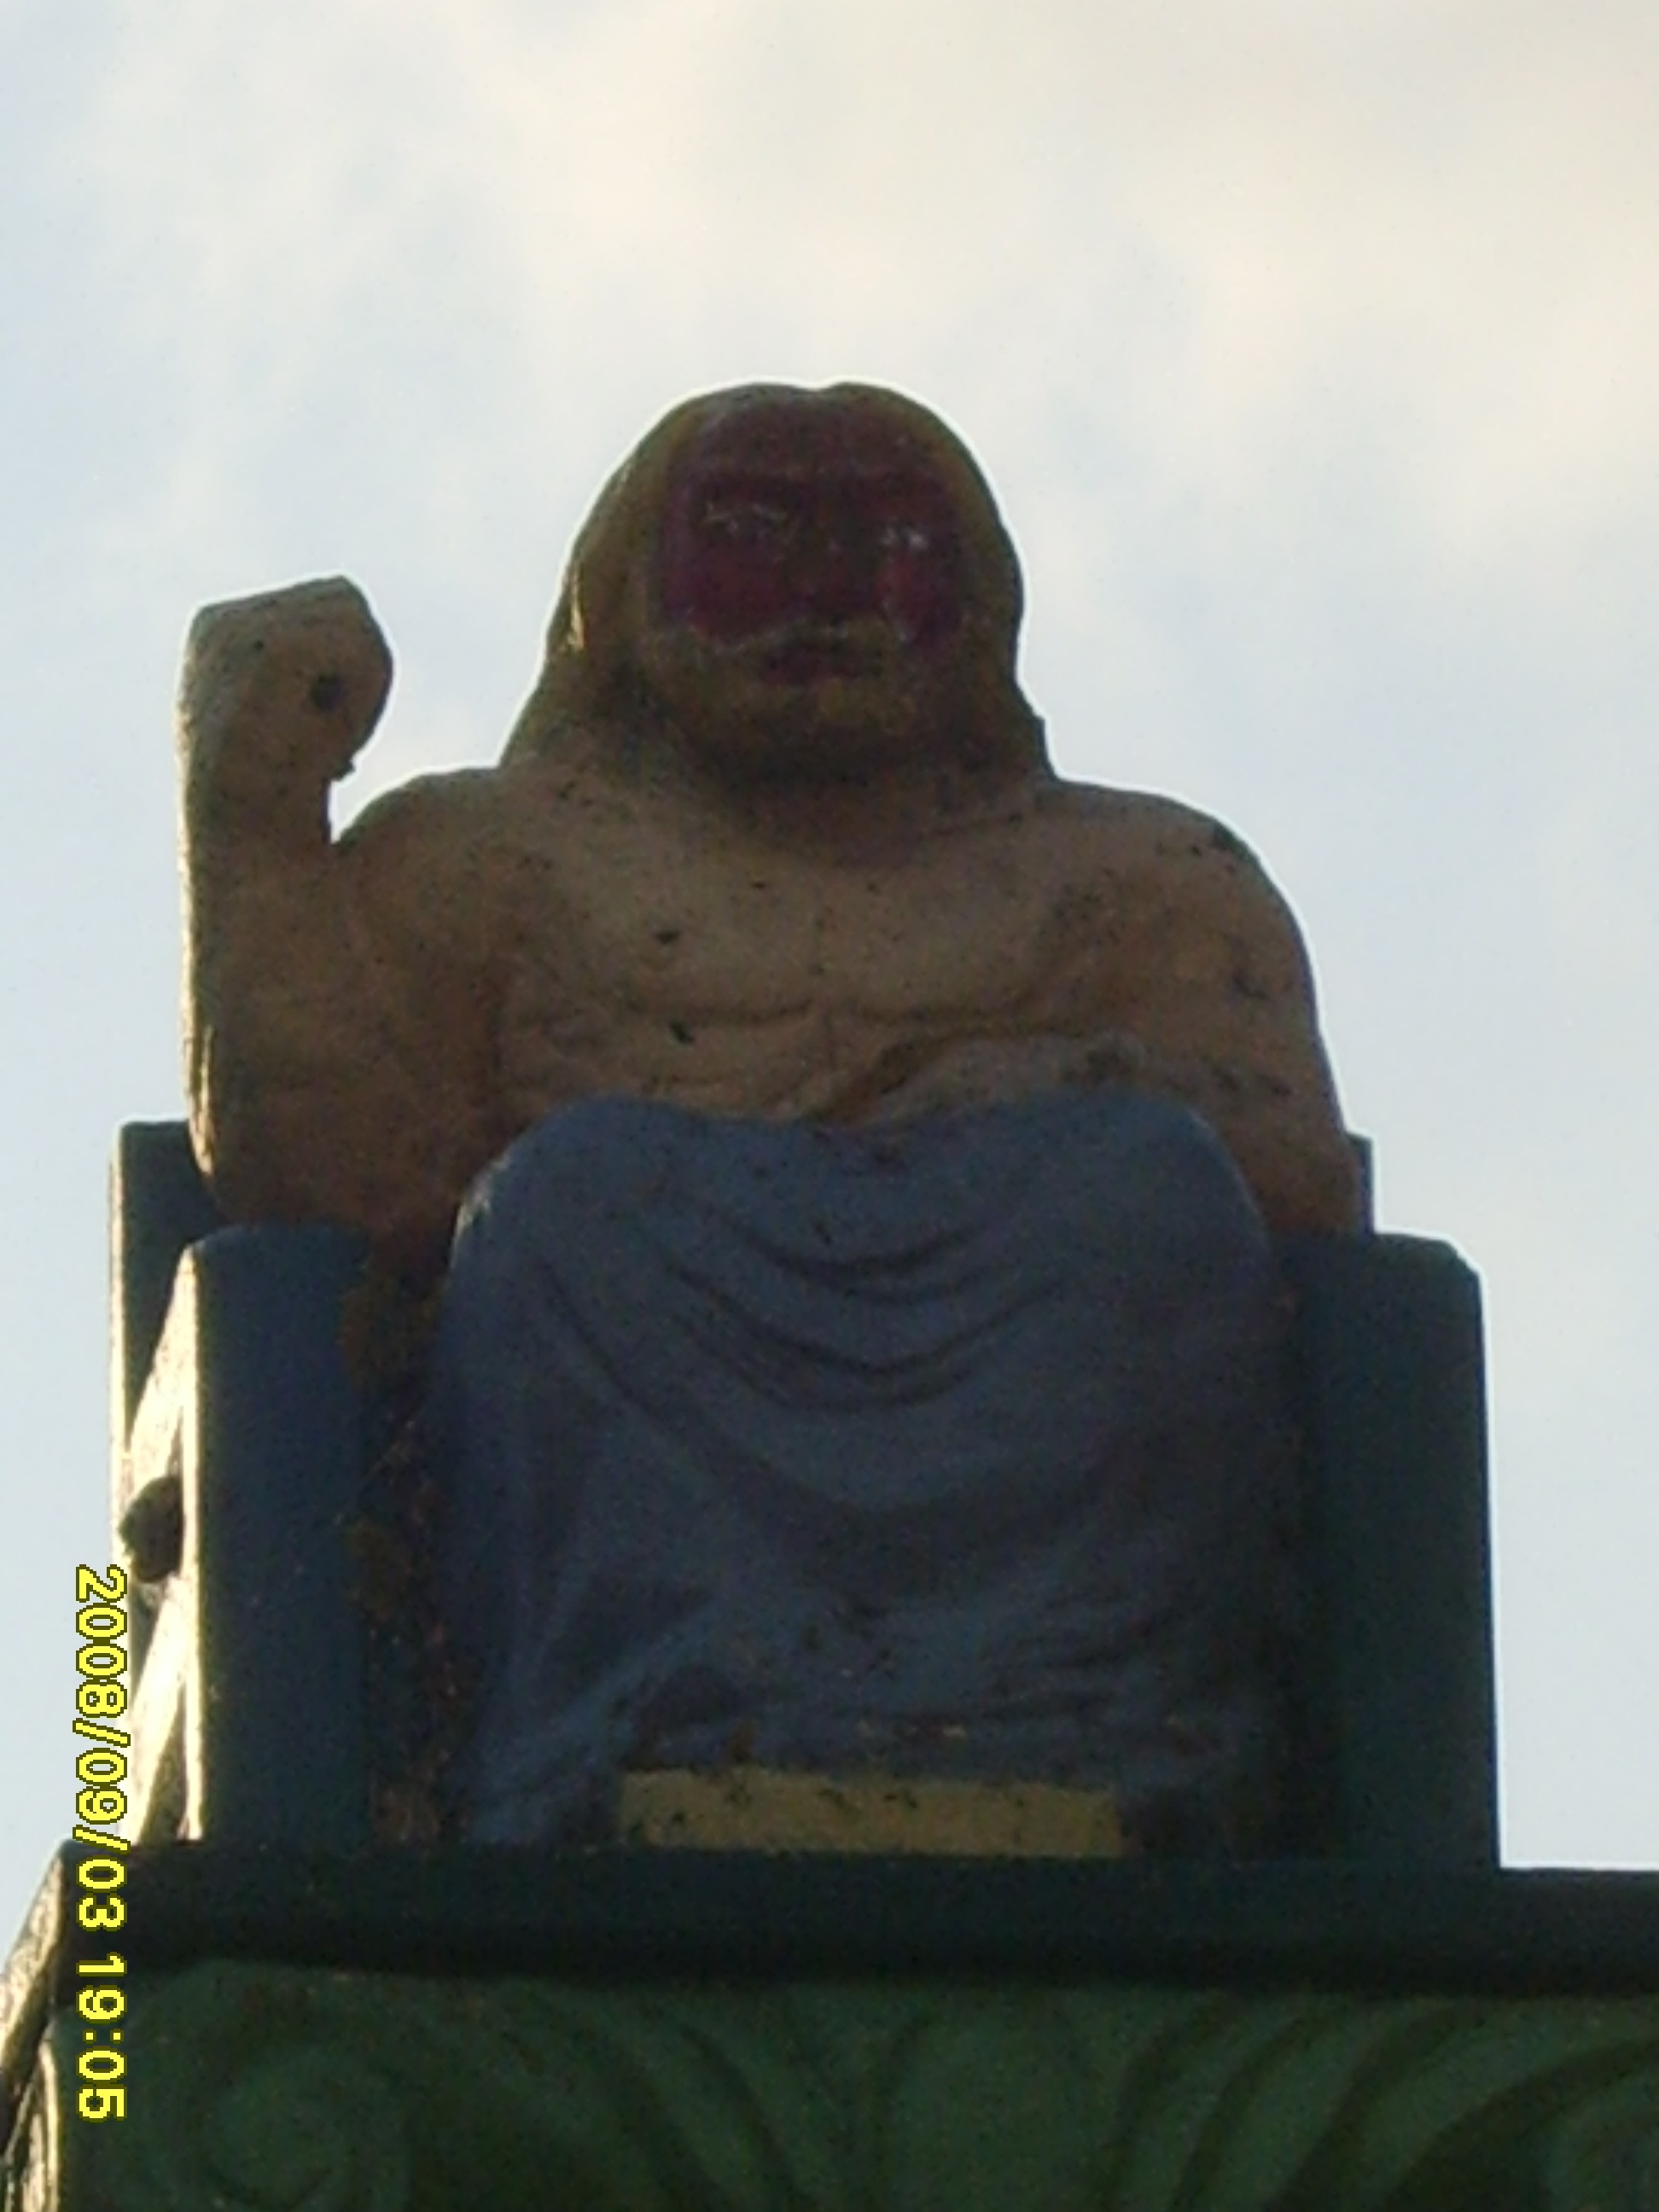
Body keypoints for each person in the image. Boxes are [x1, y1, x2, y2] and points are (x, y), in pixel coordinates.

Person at [178, 382, 1362, 1849]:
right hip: (636, 1402)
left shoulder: (1147, 876)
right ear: (622, 594)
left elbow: (1290, 1178)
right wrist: (248, 818)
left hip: (1039, 1403)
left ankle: (1097, 1738)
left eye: (891, 542)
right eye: (751, 534)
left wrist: (1043, 1094)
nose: (827, 592)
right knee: (576, 1199)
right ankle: (642, 1728)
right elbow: (329, 1180)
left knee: (1143, 1191)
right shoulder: (481, 855)